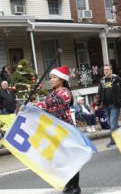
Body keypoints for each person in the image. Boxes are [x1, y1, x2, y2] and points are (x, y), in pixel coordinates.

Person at [36, 66, 81, 194]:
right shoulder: (52, 93)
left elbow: (53, 104)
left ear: (61, 79)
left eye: (54, 77)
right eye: (51, 78)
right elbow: (46, 108)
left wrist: (35, 106)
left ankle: (75, 186)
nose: (51, 80)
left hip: (66, 129)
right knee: (61, 159)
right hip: (55, 130)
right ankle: (68, 184)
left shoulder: (65, 92)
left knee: (70, 158)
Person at [95, 64, 121, 148]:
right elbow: (99, 93)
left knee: (112, 123)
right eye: (104, 70)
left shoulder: (116, 78)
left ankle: (113, 141)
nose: (106, 71)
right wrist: (97, 104)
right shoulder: (102, 80)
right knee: (110, 124)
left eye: (107, 69)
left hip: (115, 104)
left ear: (111, 70)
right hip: (105, 105)